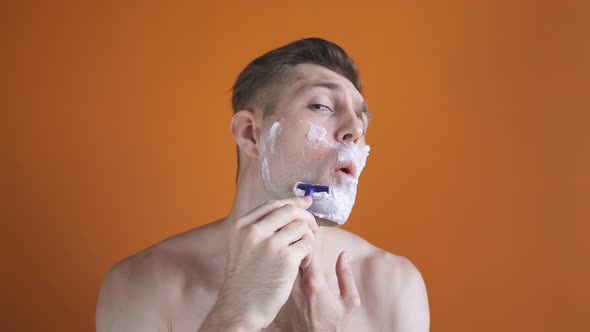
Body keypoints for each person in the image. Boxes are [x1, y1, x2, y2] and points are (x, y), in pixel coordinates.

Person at [96, 37, 430, 331]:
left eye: (362, 120)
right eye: (321, 106)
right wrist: (233, 319)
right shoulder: (140, 286)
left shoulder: (393, 286)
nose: (354, 131)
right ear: (250, 134)